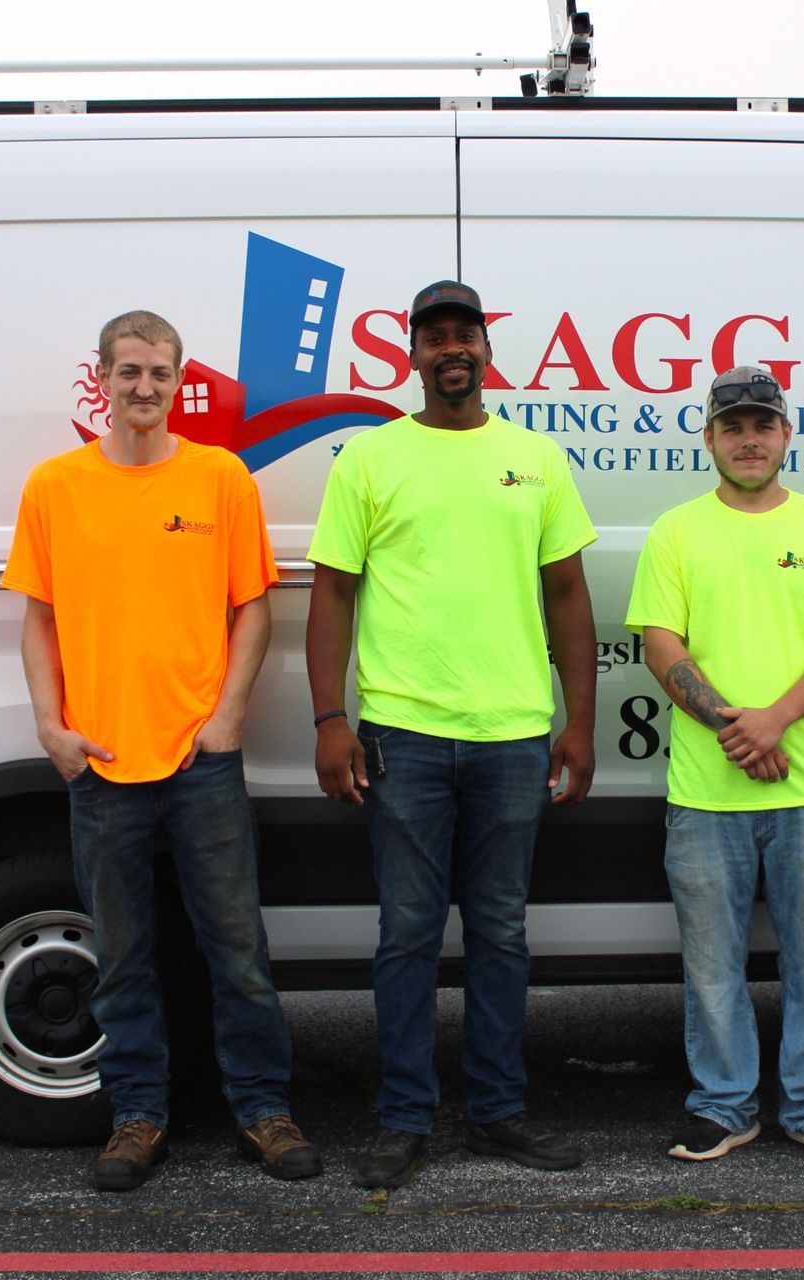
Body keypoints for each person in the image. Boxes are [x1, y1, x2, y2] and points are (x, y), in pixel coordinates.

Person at [4, 310, 319, 1191]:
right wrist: (50, 727)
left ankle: (263, 1110)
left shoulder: (220, 478)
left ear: (180, 382)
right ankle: (138, 1117)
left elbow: (252, 607)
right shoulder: (55, 486)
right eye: (129, 370)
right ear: (102, 379)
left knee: (237, 951)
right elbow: (39, 619)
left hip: (200, 761)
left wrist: (226, 718)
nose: (144, 386)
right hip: (101, 762)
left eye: (160, 372)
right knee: (123, 957)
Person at [305, 280, 599, 1190]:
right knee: (407, 934)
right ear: (413, 356)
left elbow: (567, 594)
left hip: (513, 735)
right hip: (404, 735)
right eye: (434, 337)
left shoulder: (535, 458)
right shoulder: (370, 458)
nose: (452, 349)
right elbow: (333, 593)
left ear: (486, 349)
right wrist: (329, 719)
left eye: (464, 333)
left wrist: (580, 723)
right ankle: (404, 1118)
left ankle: (497, 1113)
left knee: (502, 932)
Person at [626, 367, 804, 1162]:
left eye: (762, 425)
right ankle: (724, 1105)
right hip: (705, 796)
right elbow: (660, 644)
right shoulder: (676, 531)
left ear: (786, 435)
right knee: (711, 969)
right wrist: (735, 728)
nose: (748, 440)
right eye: (732, 427)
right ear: (708, 437)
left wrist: (774, 721)